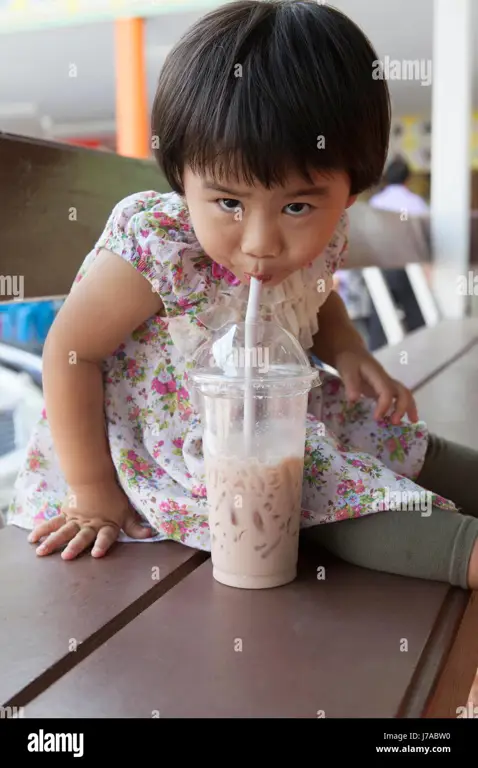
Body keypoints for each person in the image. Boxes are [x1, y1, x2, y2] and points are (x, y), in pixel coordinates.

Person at [7, 0, 478, 592]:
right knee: (324, 489)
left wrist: (352, 351)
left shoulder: (326, 237)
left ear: (351, 189)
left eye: (298, 206)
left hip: (283, 412)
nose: (261, 245)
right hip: (179, 448)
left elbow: (315, 294)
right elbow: (70, 352)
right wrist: (94, 492)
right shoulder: (159, 246)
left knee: (404, 442)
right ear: (182, 175)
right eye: (229, 202)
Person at [366, 157, 431, 349]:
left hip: (380, 268)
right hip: (408, 268)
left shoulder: (376, 202)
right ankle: (422, 351)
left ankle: (377, 353)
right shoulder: (416, 203)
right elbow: (425, 238)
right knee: (415, 313)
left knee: (380, 314)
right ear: (407, 179)